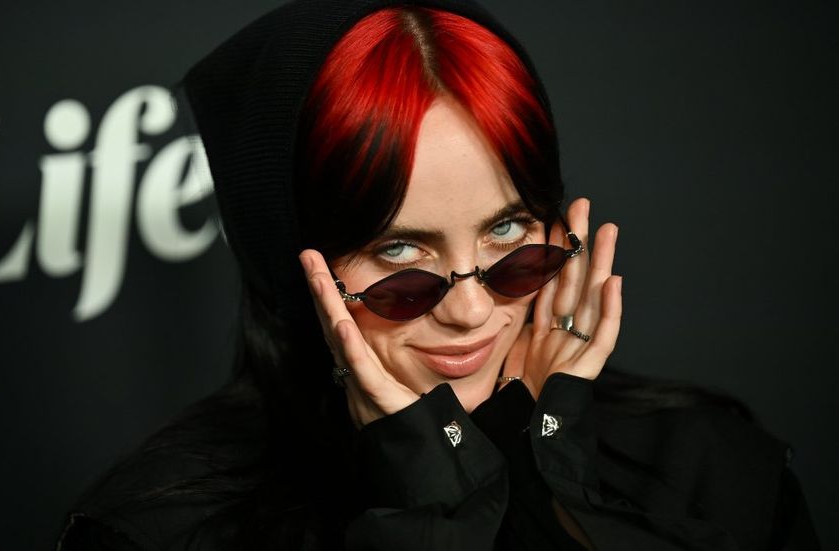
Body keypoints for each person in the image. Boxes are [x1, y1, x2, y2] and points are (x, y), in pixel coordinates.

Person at [57, 0, 819, 549]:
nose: (471, 310)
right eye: (399, 254)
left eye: (508, 232)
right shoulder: (162, 530)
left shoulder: (710, 472)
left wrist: (552, 462)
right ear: (288, 264)